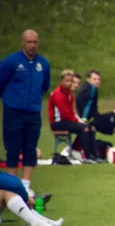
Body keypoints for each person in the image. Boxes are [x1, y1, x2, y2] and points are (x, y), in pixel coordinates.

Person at [0, 29, 51, 197]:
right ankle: (13, 187)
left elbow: (44, 86)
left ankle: (26, 185)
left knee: (30, 149)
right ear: (22, 43)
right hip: (13, 111)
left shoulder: (43, 64)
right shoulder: (11, 62)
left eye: (35, 42)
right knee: (13, 149)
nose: (32, 46)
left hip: (33, 112)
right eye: (29, 42)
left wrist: (33, 100)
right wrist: (11, 99)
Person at [48, 69, 100, 163]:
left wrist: (79, 121)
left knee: (91, 128)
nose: (69, 83)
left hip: (67, 120)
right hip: (58, 122)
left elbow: (71, 112)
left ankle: (94, 155)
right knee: (85, 129)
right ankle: (86, 157)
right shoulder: (58, 94)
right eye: (67, 81)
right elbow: (65, 114)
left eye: (71, 81)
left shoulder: (70, 95)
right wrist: (78, 121)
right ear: (62, 81)